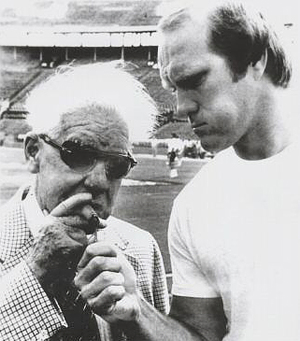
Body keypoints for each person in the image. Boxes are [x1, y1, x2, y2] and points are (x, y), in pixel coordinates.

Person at [73, 2, 300, 341]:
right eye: (173, 88)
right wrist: (139, 311)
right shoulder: (197, 203)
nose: (181, 107)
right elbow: (201, 335)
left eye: (194, 80)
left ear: (256, 59)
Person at [0, 62, 169, 340]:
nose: (99, 181)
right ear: (33, 153)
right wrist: (35, 273)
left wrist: (140, 321)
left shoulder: (140, 249)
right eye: (77, 154)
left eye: (117, 166)